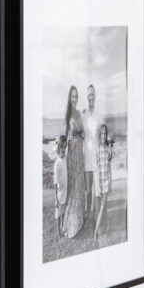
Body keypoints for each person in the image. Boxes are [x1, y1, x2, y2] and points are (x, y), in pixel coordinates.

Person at [63, 85, 85, 238]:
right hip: (71, 155)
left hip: (79, 153)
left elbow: (82, 131)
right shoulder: (68, 113)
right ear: (70, 98)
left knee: (79, 187)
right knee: (73, 187)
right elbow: (65, 136)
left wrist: (82, 133)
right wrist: (63, 153)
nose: (75, 99)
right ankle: (71, 225)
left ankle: (79, 222)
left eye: (76, 96)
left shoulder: (78, 113)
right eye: (73, 96)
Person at [82, 85, 103, 224]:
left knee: (97, 187)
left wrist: (108, 148)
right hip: (86, 155)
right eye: (89, 94)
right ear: (87, 96)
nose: (91, 97)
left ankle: (96, 214)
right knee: (88, 187)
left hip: (96, 155)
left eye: (93, 94)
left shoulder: (99, 114)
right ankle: (89, 214)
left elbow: (103, 134)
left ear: (95, 96)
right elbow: (80, 133)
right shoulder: (83, 115)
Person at [93, 123, 112, 242]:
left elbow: (109, 163)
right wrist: (97, 185)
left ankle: (96, 231)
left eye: (105, 133)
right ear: (99, 135)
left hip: (106, 180)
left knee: (102, 207)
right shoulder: (97, 148)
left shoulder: (106, 148)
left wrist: (110, 146)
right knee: (103, 207)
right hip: (100, 181)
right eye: (102, 134)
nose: (103, 136)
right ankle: (107, 226)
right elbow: (96, 167)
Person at [53, 135, 68, 239]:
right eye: (61, 148)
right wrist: (55, 199)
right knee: (58, 214)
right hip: (59, 192)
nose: (63, 150)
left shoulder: (66, 159)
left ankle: (62, 229)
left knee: (63, 211)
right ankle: (58, 233)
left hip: (65, 190)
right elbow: (55, 182)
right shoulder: (57, 163)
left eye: (64, 147)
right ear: (58, 148)